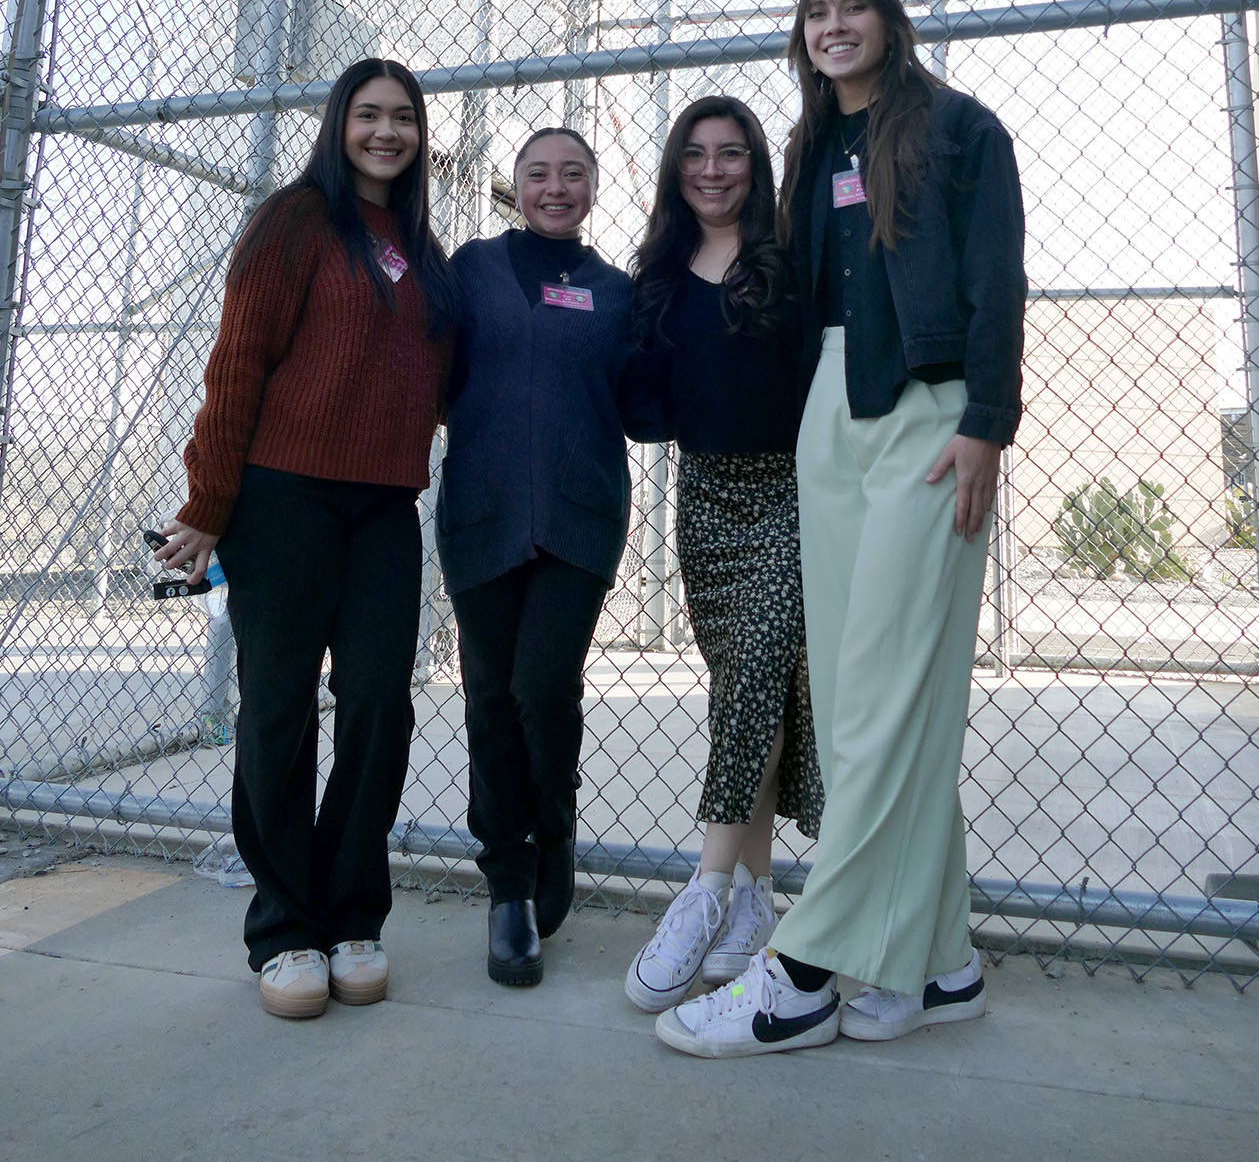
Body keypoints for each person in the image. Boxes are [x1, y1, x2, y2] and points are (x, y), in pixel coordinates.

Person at [655, 0, 1025, 1057]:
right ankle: (941, 963)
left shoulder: (961, 129)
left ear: (887, 20)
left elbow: (997, 279)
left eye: (850, 5)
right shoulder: (812, 144)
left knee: (884, 696)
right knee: (856, 694)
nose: (832, 25)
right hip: (832, 410)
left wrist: (986, 420)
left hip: (930, 412)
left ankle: (807, 968)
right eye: (814, 13)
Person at [156, 59, 457, 1021]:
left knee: (377, 703)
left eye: (402, 117)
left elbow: (441, 381)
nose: (386, 132)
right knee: (279, 709)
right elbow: (238, 362)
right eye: (368, 115)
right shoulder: (293, 221)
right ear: (338, 125)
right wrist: (209, 501)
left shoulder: (423, 245)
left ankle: (352, 915)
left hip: (384, 510)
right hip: (283, 500)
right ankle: (284, 926)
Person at [623, 96, 822, 1013]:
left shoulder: (789, 262)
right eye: (696, 154)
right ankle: (754, 898)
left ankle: (702, 892)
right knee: (750, 689)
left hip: (789, 495)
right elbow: (644, 402)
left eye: (731, 153)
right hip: (705, 500)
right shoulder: (660, 273)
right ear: (677, 168)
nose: (713, 170)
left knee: (754, 676)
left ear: (755, 165)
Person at [437, 127, 648, 987]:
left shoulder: (617, 292)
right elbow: (432, 376)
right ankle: (509, 887)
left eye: (572, 174)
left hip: (577, 520)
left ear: (593, 187)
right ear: (516, 185)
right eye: (538, 174)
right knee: (491, 697)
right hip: (481, 515)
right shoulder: (472, 270)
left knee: (542, 686)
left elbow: (646, 406)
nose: (554, 188)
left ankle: (553, 827)